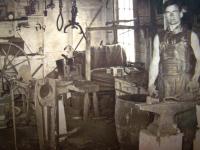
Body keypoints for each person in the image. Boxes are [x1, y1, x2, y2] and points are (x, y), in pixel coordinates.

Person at [148, 0, 200, 149]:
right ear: (165, 16)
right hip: (165, 89)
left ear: (181, 13)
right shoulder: (159, 37)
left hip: (186, 89)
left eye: (174, 12)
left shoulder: (191, 36)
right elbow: (155, 61)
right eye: (168, 13)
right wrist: (151, 84)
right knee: (165, 134)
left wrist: (196, 79)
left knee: (187, 134)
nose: (171, 16)